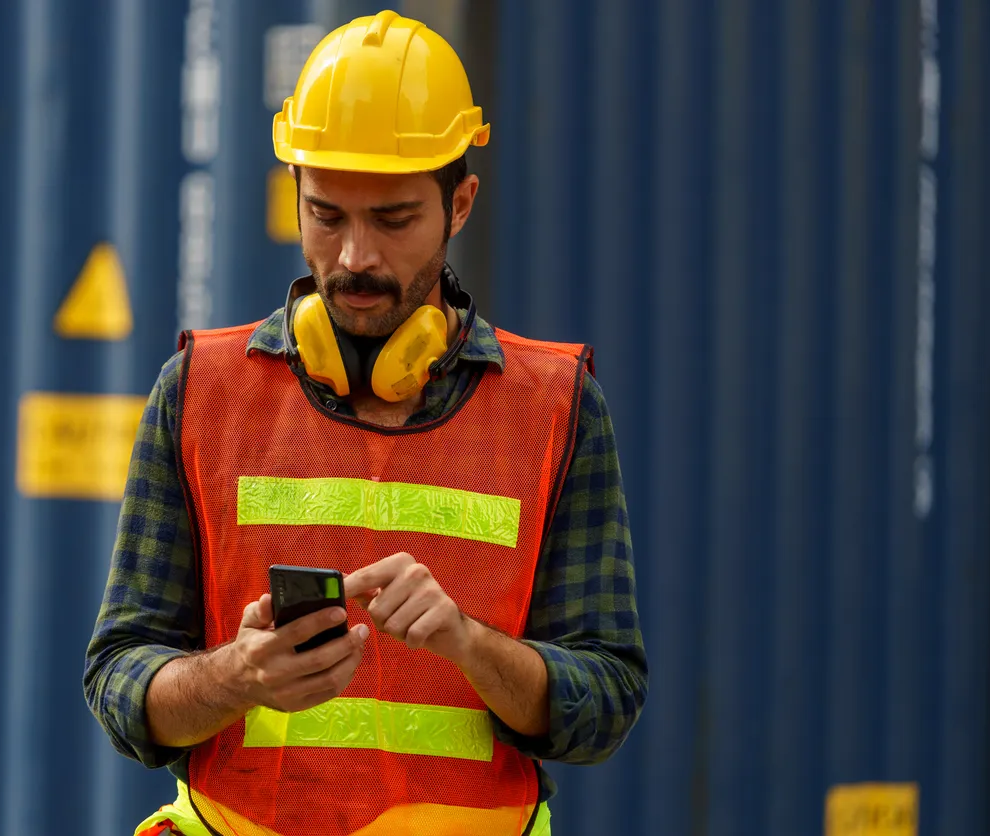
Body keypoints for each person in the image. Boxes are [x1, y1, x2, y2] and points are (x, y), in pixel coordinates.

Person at [84, 10, 647, 836]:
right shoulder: (199, 392)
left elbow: (607, 701)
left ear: (460, 204)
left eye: (392, 220)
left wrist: (468, 643)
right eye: (326, 215)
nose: (353, 258)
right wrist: (237, 675)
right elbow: (118, 684)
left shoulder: (555, 406)